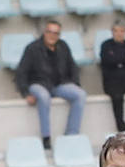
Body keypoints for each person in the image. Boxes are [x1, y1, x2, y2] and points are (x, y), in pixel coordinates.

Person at [15, 19, 86, 153]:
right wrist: (25, 93)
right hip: (38, 83)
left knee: (80, 94)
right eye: (49, 32)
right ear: (44, 32)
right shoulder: (33, 48)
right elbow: (21, 72)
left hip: (59, 84)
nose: (52, 35)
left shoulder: (63, 46)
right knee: (43, 96)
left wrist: (75, 83)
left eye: (56, 33)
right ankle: (46, 137)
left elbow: (73, 67)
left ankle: (71, 135)